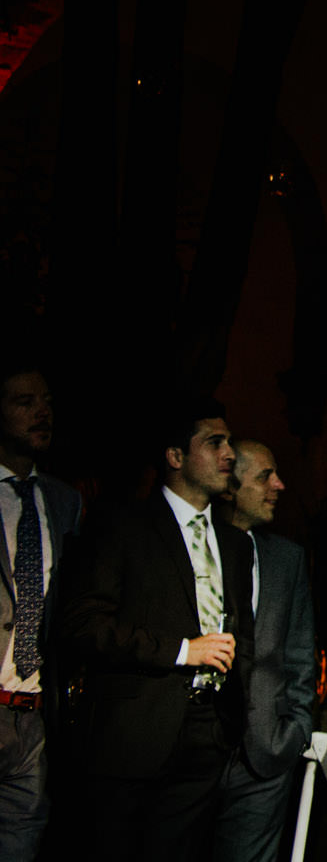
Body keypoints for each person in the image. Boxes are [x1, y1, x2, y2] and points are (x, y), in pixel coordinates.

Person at [56, 397, 254, 860]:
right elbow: (82, 624)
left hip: (209, 734)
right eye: (215, 442)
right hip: (131, 736)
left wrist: (231, 721)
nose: (230, 454)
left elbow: (240, 631)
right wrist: (183, 651)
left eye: (230, 442)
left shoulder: (235, 544)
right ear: (175, 457)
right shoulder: (122, 525)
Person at [214, 440, 319, 862]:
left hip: (265, 755)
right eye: (264, 476)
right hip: (192, 755)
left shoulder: (286, 558)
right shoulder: (192, 550)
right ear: (228, 486)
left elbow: (299, 653)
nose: (279, 484)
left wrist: (294, 728)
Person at [0, 361, 79, 862]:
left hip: (34, 715)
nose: (41, 412)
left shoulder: (63, 500)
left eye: (46, 401)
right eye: (24, 402)